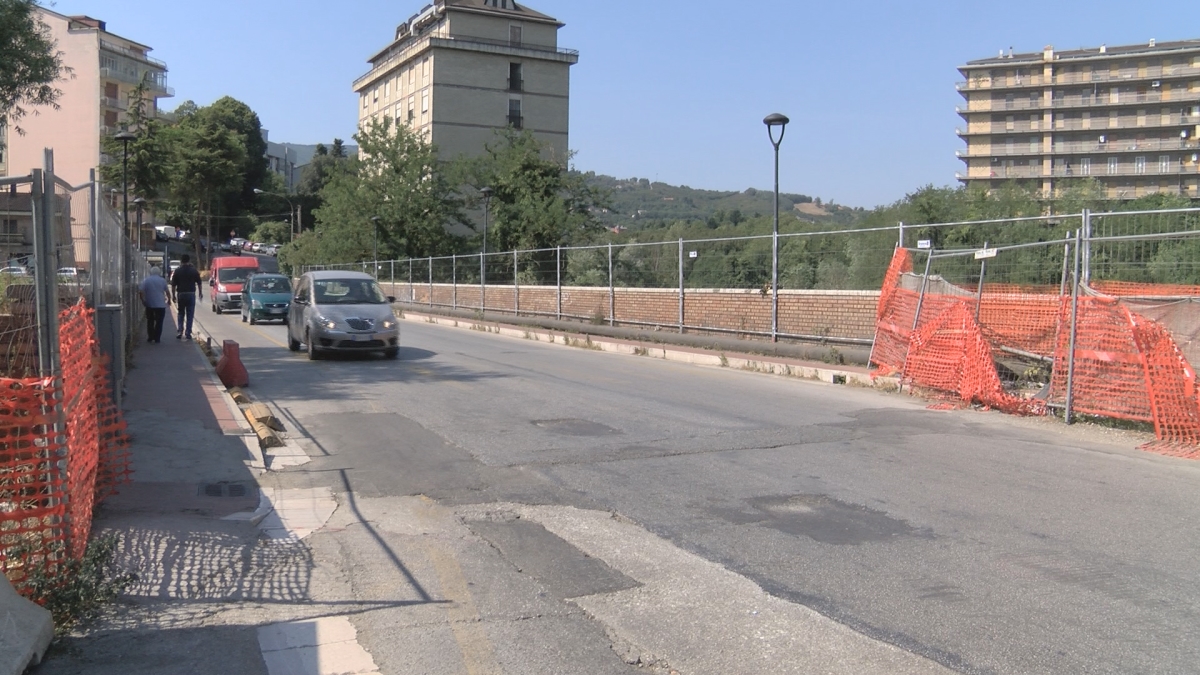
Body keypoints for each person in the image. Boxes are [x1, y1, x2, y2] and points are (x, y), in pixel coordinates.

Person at [170, 254, 203, 340]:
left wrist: (173, 296)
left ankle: (180, 331)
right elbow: (199, 282)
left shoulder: (177, 271)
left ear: (181, 261)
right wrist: (200, 293)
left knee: (181, 313)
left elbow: (173, 285)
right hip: (191, 293)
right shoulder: (193, 271)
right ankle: (188, 332)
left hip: (181, 294)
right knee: (190, 314)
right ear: (189, 261)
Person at [138, 267, 171, 343]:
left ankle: (150, 336)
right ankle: (157, 337)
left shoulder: (146, 280)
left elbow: (141, 291)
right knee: (159, 322)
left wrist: (143, 300)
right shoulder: (162, 280)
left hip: (150, 304)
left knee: (150, 321)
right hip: (160, 304)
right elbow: (167, 292)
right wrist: (169, 300)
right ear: (159, 272)